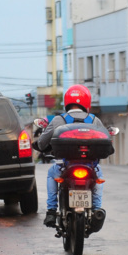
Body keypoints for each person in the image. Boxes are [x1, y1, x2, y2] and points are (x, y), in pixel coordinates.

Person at [36, 84, 108, 228]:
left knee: (51, 174)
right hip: (90, 166)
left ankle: (51, 211)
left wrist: (39, 145)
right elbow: (106, 142)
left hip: (64, 167)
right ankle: (96, 211)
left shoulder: (58, 120)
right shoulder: (95, 120)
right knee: (98, 178)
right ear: (86, 101)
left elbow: (42, 143)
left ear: (67, 102)